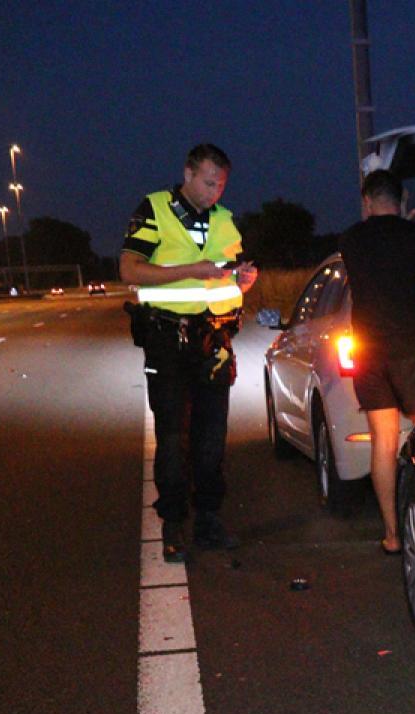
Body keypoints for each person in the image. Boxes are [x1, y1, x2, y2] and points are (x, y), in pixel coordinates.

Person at [121, 143, 258, 563]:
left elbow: (228, 275)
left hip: (214, 340)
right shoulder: (155, 208)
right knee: (173, 436)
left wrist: (243, 280)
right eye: (208, 181)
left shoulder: (224, 220)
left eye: (221, 184)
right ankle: (173, 523)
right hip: (167, 336)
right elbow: (129, 269)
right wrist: (190, 271)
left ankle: (209, 519)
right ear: (187, 173)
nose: (215, 191)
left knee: (211, 437)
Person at [338, 170, 415, 554]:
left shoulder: (350, 239)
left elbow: (378, 255)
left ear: (366, 201)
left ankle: (393, 535)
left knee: (383, 441)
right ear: (403, 198)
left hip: (368, 355)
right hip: (412, 351)